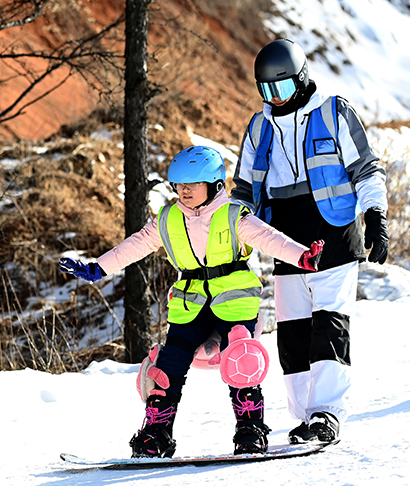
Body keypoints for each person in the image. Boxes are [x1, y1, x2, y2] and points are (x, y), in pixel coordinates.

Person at [59, 146, 324, 457]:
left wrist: (301, 256)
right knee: (166, 366)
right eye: (179, 184)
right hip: (190, 303)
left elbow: (270, 238)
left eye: (192, 184)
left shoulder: (233, 215)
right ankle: (155, 434)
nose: (183, 190)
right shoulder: (168, 218)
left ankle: (250, 430)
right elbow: (135, 245)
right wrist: (97, 268)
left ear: (213, 185)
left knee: (241, 360)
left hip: (235, 300)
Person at [230, 38, 389, 444]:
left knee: (328, 325)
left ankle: (327, 413)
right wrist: (233, 238)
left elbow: (367, 169)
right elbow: (244, 191)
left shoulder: (334, 113)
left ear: (300, 81)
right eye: (266, 91)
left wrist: (376, 217)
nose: (274, 99)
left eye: (280, 89)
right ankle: (305, 416)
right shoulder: (259, 126)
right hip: (284, 239)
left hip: (333, 230)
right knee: (293, 333)